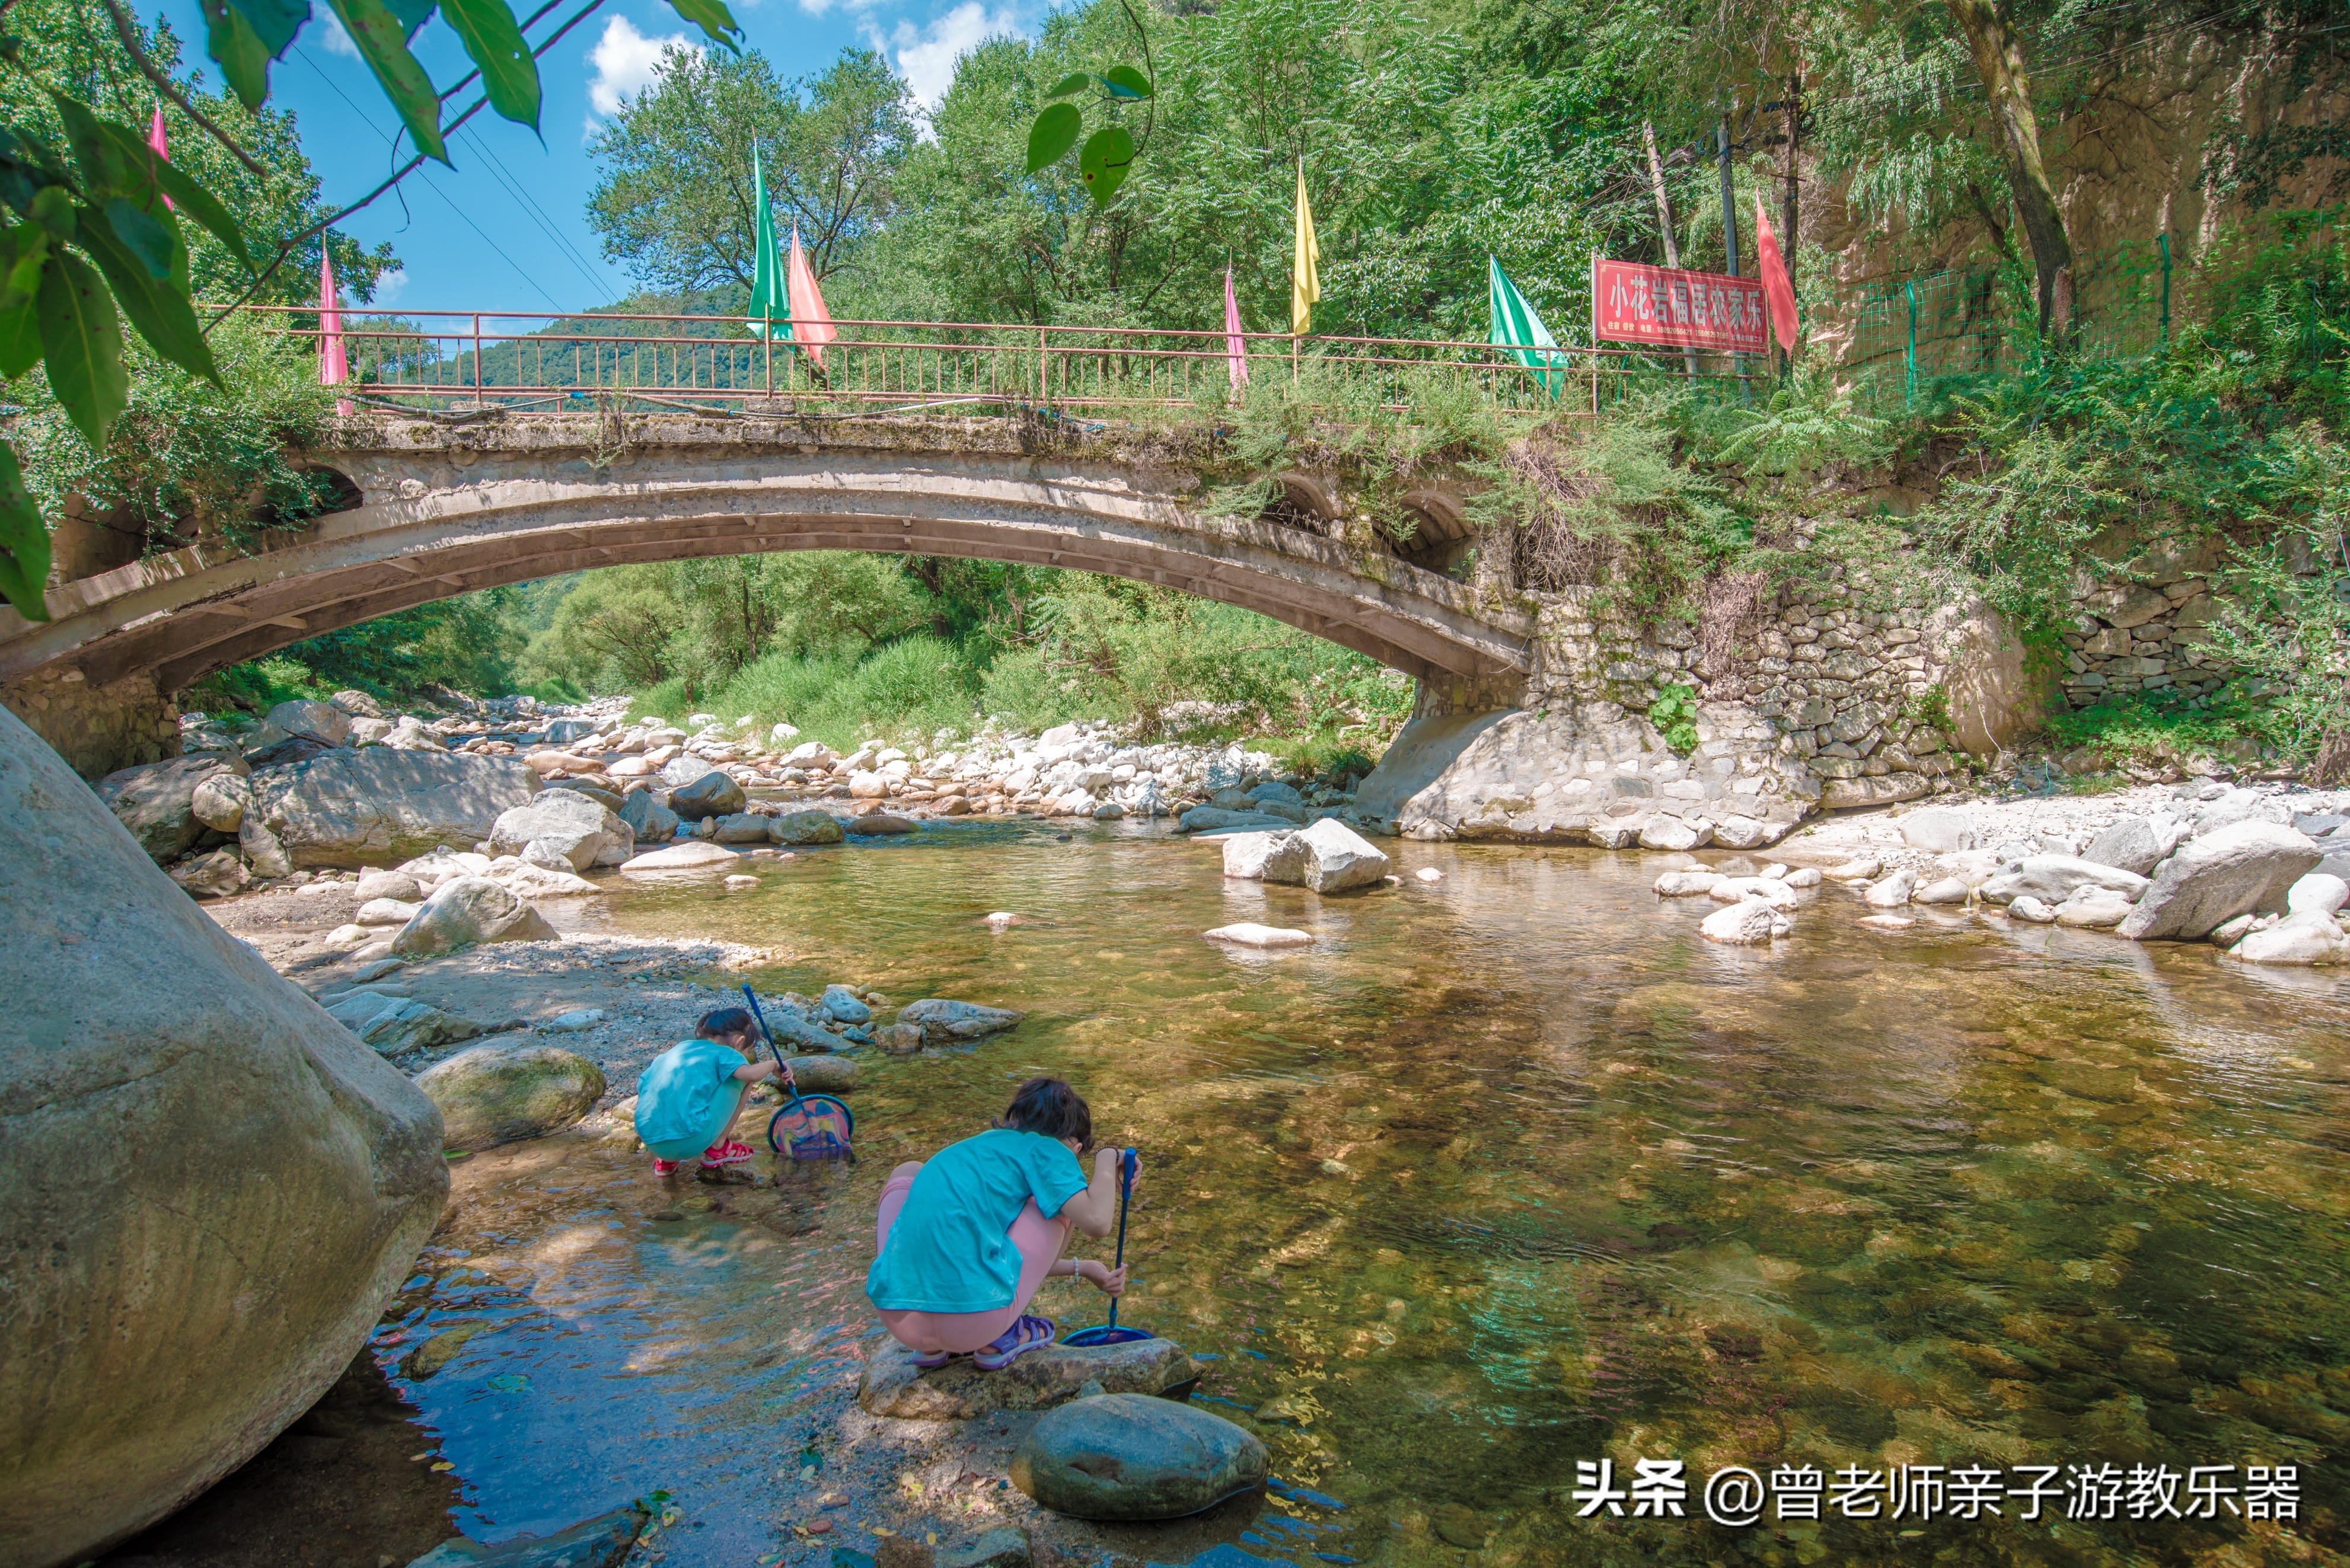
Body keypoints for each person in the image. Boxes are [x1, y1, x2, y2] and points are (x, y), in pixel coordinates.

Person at [865, 1077, 1133, 1371]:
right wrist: (1108, 1156)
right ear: (1075, 1146)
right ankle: (1003, 1337)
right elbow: (1098, 1223)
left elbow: (993, 1251)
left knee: (910, 1171)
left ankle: (933, 1350)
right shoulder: (1052, 1150)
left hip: (900, 1320)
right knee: (1058, 1205)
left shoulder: (976, 1149)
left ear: (1016, 1119)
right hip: (975, 1324)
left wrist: (1086, 1268)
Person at [634, 1007, 789, 1176]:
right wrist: (774, 1065)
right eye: (748, 1050)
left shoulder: (680, 1049)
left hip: (651, 1141)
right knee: (742, 1078)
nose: (746, 1055)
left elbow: (642, 1086)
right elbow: (751, 1074)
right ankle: (719, 1147)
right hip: (690, 1141)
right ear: (739, 1042)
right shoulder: (726, 1052)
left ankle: (667, 1161)